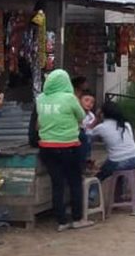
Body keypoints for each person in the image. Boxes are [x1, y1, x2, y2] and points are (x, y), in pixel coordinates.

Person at [36, 69, 93, 232]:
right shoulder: (69, 98)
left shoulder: (40, 99)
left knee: (57, 183)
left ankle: (61, 221)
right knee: (75, 181)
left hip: (46, 148)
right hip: (69, 146)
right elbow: (82, 117)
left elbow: (39, 121)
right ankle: (77, 219)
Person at [89, 101, 135, 181]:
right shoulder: (125, 124)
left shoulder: (101, 127)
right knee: (108, 163)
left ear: (102, 114)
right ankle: (119, 190)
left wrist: (96, 120)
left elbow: (87, 134)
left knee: (98, 176)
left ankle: (92, 192)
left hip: (118, 161)